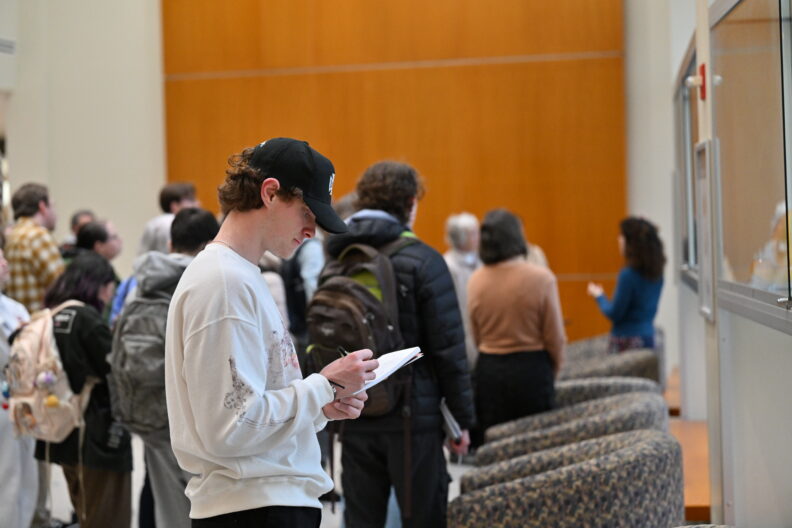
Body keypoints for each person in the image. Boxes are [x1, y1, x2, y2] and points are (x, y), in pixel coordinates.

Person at [164, 137, 377, 527]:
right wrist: (322, 388)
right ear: (270, 193)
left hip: (261, 500)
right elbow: (230, 427)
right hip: (256, 505)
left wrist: (318, 407)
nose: (312, 230)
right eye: (307, 212)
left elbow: (248, 407)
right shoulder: (225, 282)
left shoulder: (239, 275)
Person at [327, 160, 475, 528]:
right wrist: (461, 423)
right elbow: (449, 351)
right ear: (410, 202)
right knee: (422, 516)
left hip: (354, 413)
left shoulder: (338, 259)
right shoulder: (423, 259)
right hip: (414, 419)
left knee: (362, 519)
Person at [114, 207, 219, 528]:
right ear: (211, 241)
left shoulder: (140, 283)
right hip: (191, 418)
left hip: (147, 412)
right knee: (206, 506)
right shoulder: (207, 281)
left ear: (171, 243)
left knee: (167, 506)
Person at [34, 252, 133, 528]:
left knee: (85, 511)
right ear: (100, 285)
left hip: (64, 433)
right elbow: (116, 369)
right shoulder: (88, 319)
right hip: (98, 437)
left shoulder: (53, 316)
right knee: (109, 518)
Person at [467, 209, 565, 447]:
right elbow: (555, 337)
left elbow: (475, 334)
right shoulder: (542, 279)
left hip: (489, 371)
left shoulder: (476, 280)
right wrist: (552, 370)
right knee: (535, 450)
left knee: (495, 449)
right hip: (532, 371)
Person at [0, 234, 38, 528]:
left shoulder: (14, 308)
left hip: (21, 401)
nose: (5, 264)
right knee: (6, 479)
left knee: (26, 478)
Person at [587, 216, 665, 352]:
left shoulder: (628, 275)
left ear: (631, 242)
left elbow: (614, 313)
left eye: (621, 236)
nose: (618, 240)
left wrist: (599, 296)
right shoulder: (657, 274)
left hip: (626, 341)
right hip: (647, 338)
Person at [5, 183, 65, 312]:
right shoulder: (38, 235)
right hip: (40, 322)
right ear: (42, 206)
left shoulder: (12, 236)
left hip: (18, 321)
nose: (56, 213)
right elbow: (60, 287)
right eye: (53, 206)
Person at [443, 212, 482, 371]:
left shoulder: (482, 260)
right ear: (460, 237)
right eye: (473, 233)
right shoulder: (448, 264)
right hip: (462, 326)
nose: (478, 237)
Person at [138, 182, 200, 255]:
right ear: (175, 205)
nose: (197, 203)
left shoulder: (152, 223)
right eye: (191, 200)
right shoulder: (179, 224)